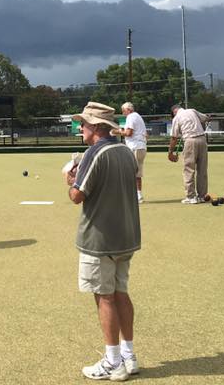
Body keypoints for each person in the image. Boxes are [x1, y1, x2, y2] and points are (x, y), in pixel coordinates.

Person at [66, 102, 141, 381]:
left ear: (97, 127)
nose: (80, 128)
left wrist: (69, 179)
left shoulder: (93, 153)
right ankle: (128, 355)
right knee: (121, 293)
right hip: (127, 236)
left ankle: (113, 362)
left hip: (100, 239)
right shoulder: (126, 151)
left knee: (105, 297)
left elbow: (77, 196)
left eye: (84, 124)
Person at [168, 104, 211, 204]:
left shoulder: (176, 118)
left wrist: (170, 152)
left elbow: (174, 137)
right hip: (202, 140)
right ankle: (202, 196)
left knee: (188, 169)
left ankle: (191, 197)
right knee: (202, 169)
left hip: (190, 141)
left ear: (174, 112)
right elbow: (206, 118)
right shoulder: (192, 110)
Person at [113, 102, 147, 203]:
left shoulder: (131, 116)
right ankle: (138, 195)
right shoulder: (138, 116)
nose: (123, 113)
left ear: (128, 110)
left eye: (123, 111)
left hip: (135, 147)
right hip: (141, 147)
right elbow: (144, 134)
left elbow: (128, 133)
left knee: (130, 172)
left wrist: (117, 131)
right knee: (137, 173)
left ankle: (133, 195)